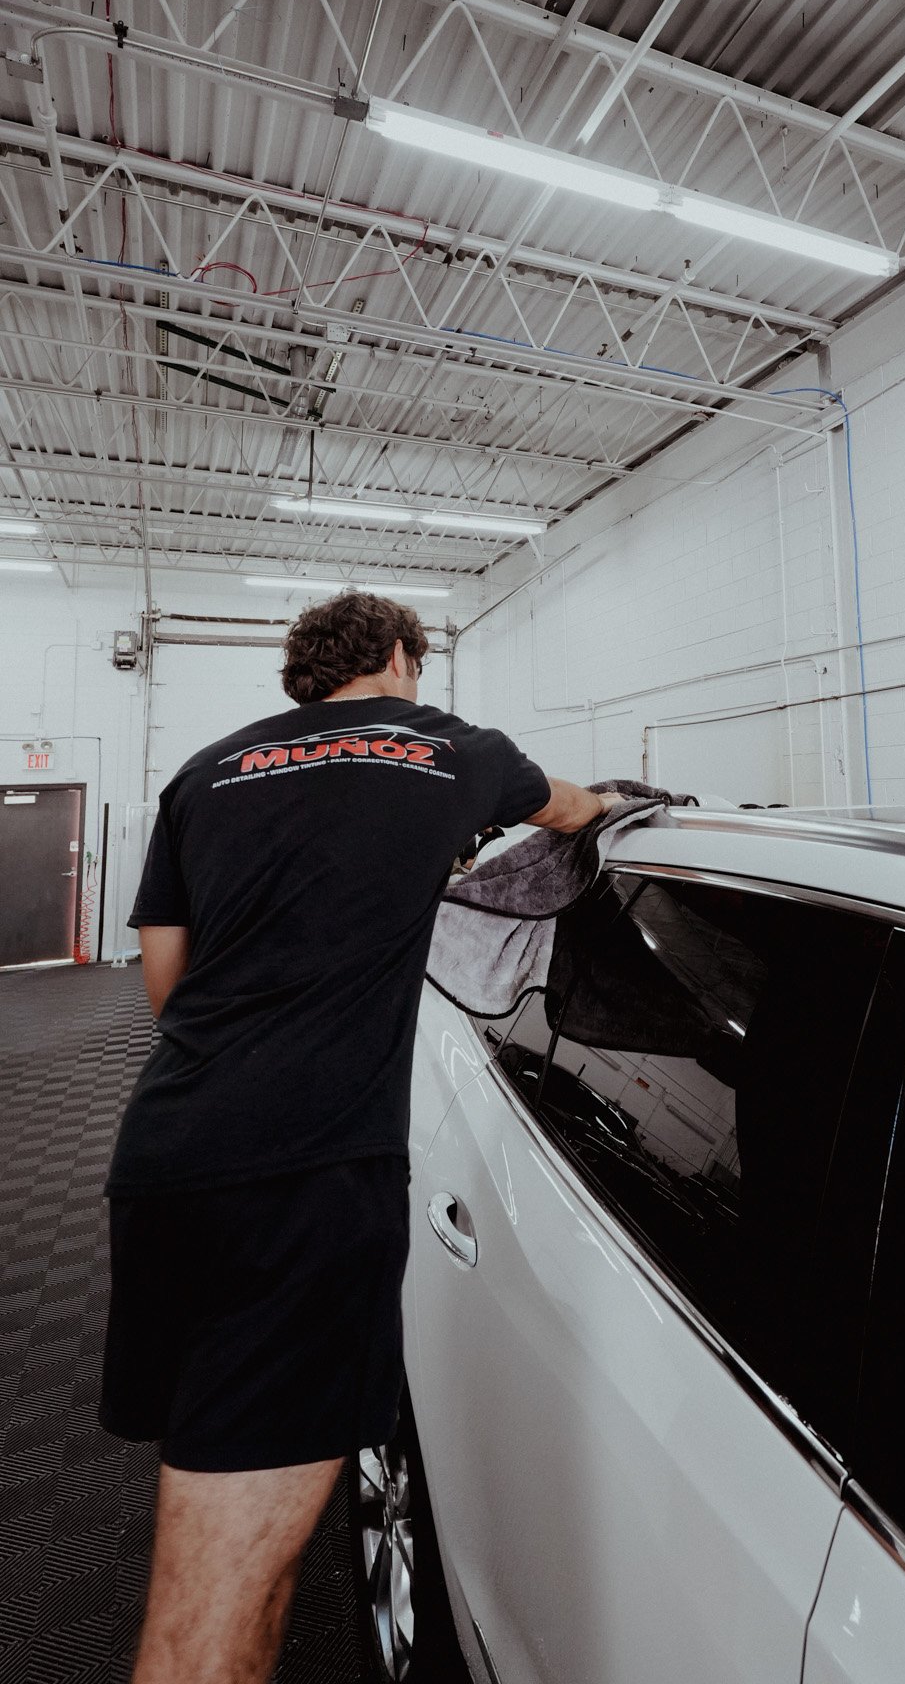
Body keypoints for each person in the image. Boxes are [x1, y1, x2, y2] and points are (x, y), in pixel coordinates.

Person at [99, 590, 616, 1684]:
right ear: (396, 654)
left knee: (248, 1517)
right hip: (301, 1181)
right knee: (216, 1585)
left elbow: (164, 981)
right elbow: (574, 809)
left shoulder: (204, 771)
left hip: (164, 1161)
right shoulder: (446, 749)